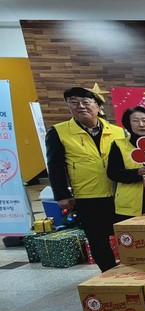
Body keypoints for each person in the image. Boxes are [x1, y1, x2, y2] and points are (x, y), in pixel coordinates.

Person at [45, 86, 125, 272]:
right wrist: (61, 195)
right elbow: (55, 166)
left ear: (97, 106)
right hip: (88, 196)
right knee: (97, 238)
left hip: (120, 193)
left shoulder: (118, 132)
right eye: (74, 102)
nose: (80, 106)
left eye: (86, 102)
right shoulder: (59, 132)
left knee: (125, 234)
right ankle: (108, 273)